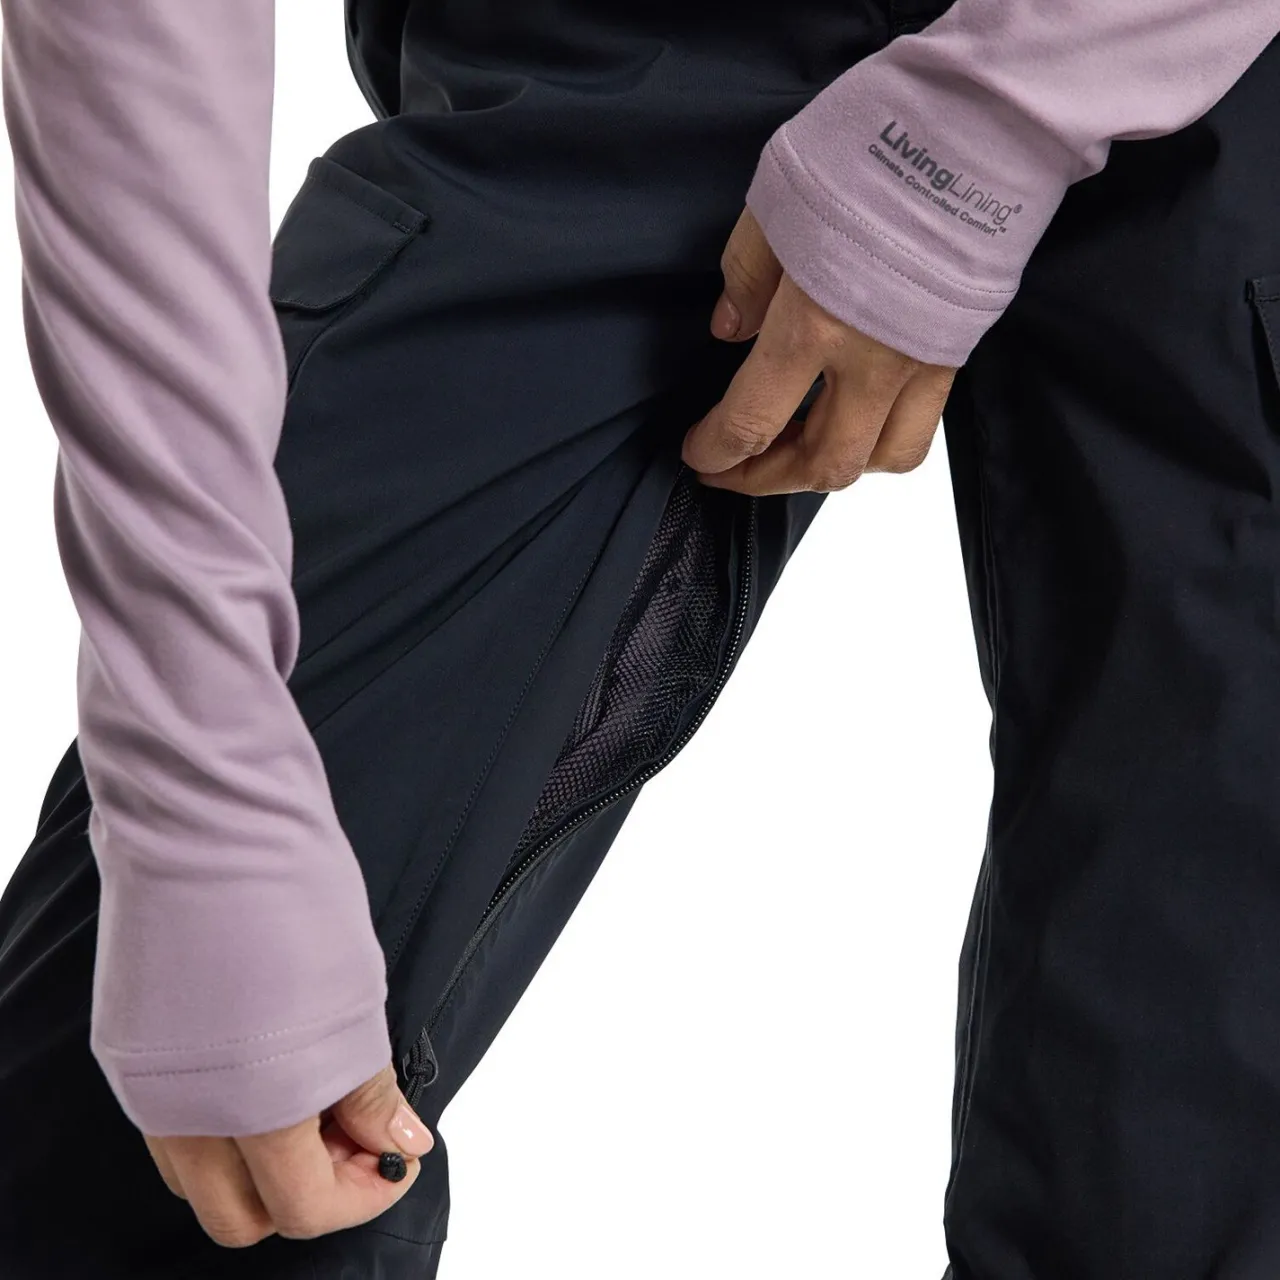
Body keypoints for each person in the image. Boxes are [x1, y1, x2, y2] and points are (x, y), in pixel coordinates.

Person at [0, 0, 1278, 1275]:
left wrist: (989, 119)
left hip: (1217, 68)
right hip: (604, 56)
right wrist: (199, 803)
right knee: (195, 1096)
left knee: (1201, 1131)